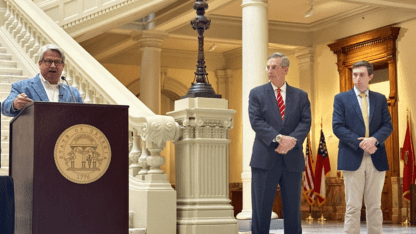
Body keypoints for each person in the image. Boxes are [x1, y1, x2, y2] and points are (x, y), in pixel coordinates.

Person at [249, 52, 311, 234]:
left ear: (285, 69)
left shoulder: (301, 96)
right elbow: (256, 121)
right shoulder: (257, 94)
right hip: (264, 159)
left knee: (292, 211)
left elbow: (305, 122)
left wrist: (292, 141)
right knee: (261, 210)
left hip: (292, 160)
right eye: (268, 67)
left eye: (274, 67)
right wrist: (279, 139)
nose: (269, 71)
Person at [332, 60, 392, 234]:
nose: (357, 79)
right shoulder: (341, 98)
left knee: (375, 206)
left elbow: (387, 125)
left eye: (362, 75)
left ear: (370, 76)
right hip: (352, 156)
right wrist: (361, 142)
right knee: (353, 205)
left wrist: (374, 140)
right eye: (354, 75)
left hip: (376, 156)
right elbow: (337, 126)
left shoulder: (380, 99)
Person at [1, 44, 83, 117]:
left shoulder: (73, 93)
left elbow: (85, 115)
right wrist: (15, 104)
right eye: (48, 61)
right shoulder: (22, 87)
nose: (53, 66)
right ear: (40, 64)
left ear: (62, 66)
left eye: (57, 62)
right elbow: (5, 107)